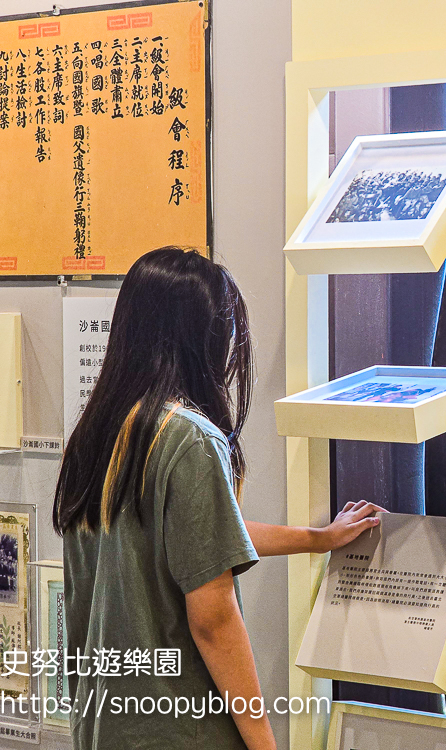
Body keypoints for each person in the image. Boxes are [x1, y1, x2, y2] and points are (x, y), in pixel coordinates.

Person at [53, 247, 385, 750]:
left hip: (104, 725)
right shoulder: (189, 438)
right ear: (205, 339)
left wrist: (318, 539)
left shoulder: (99, 433)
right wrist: (264, 742)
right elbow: (213, 616)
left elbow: (197, 542)